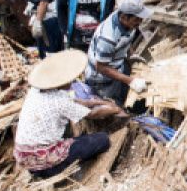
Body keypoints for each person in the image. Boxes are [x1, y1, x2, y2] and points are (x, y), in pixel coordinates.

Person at [14, 50, 122, 179]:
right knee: (103, 139)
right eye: (68, 79)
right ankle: (61, 169)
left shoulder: (37, 90)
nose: (71, 81)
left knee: (75, 135)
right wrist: (115, 109)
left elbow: (76, 101)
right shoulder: (59, 102)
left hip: (26, 156)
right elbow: (92, 114)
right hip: (43, 163)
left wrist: (100, 102)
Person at [83, 0, 151, 105]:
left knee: (120, 99)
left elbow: (126, 40)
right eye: (137, 19)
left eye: (141, 18)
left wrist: (131, 55)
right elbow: (100, 67)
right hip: (101, 80)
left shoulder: (128, 24)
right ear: (124, 17)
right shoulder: (108, 37)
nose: (140, 21)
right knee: (109, 109)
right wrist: (130, 81)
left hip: (117, 67)